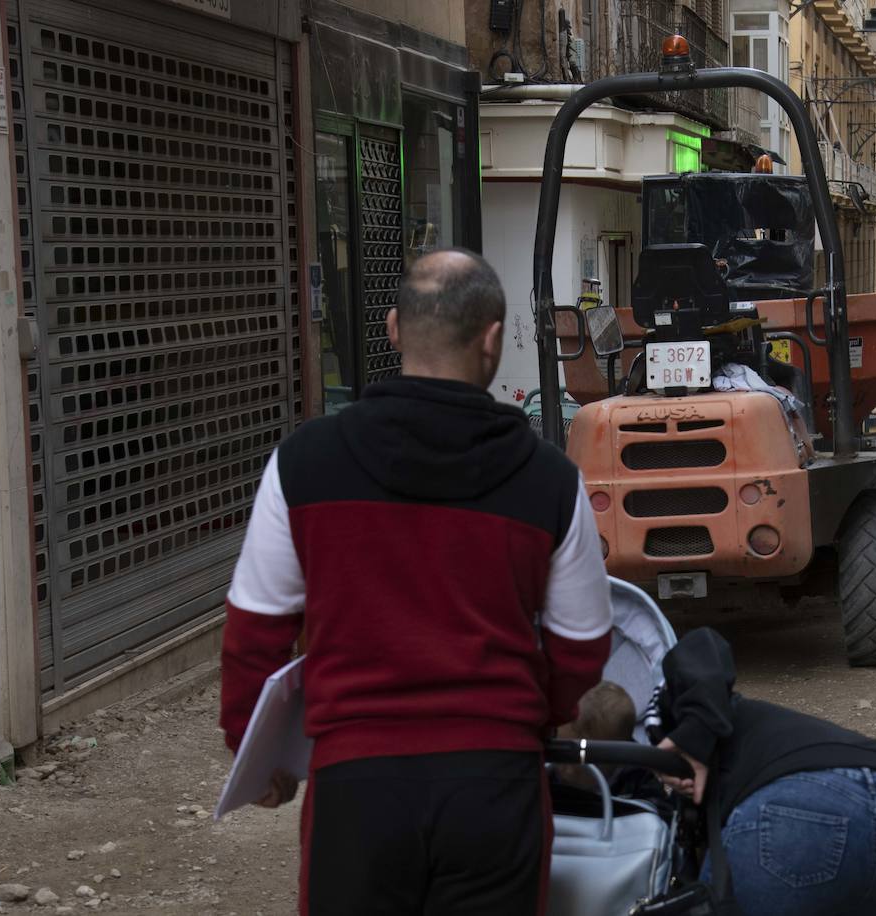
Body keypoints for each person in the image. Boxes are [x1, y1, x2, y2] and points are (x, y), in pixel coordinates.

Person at [219, 248, 614, 916]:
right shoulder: (549, 478)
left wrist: (253, 755)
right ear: (493, 339)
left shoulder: (304, 464)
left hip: (356, 786)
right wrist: (524, 715)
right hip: (496, 788)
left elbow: (254, 632)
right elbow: (583, 645)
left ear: (395, 327)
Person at [651, 628, 876, 916]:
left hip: (798, 815)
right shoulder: (750, 718)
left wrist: (693, 733)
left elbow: (701, 643)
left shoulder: (694, 718)